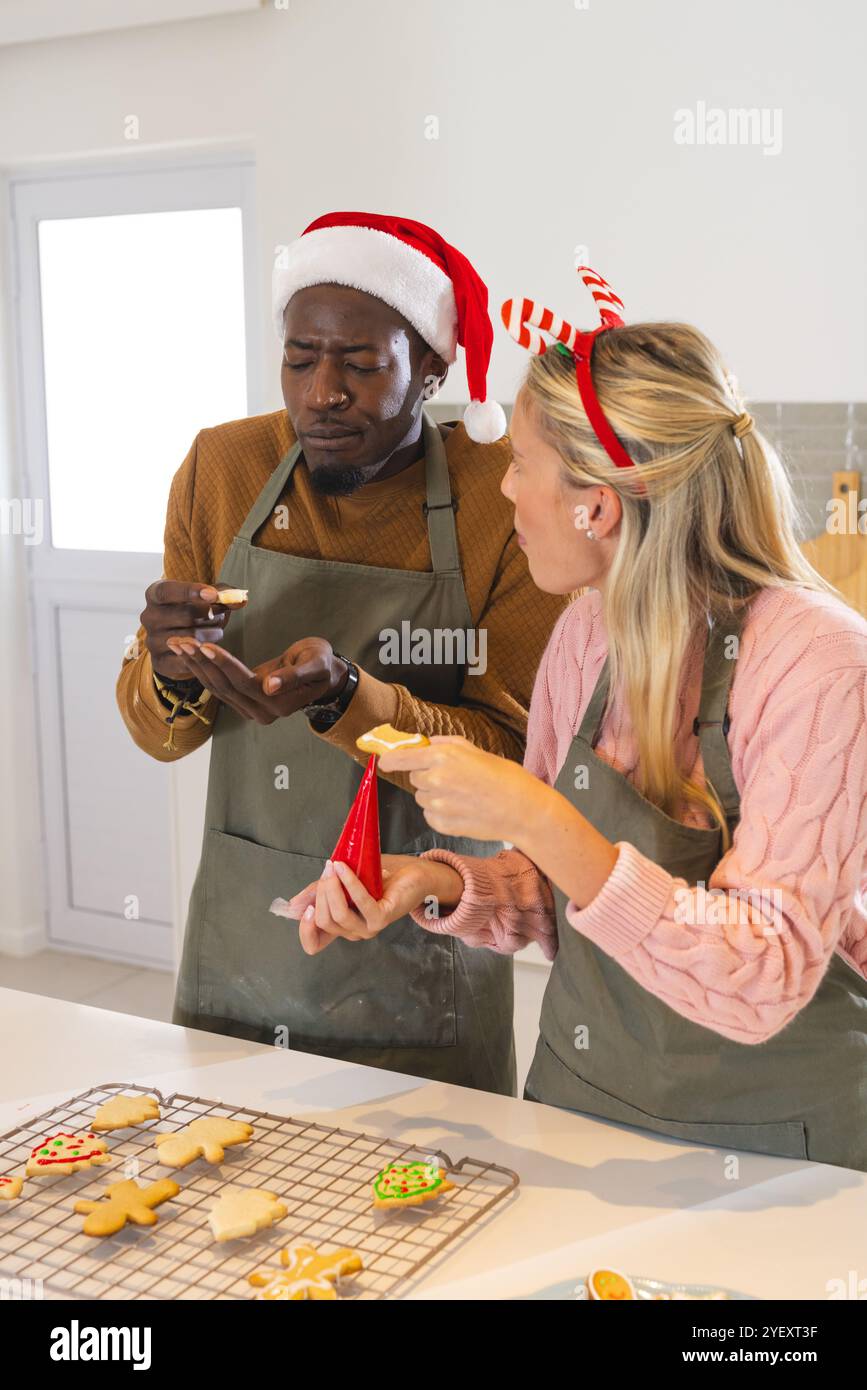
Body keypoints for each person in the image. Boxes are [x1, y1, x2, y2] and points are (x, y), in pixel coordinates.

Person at [284, 264, 867, 1170]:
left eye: (520, 465)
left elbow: (763, 977)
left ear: (595, 504)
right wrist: (439, 884)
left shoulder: (816, 662)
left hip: (781, 1152)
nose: (504, 491)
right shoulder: (586, 631)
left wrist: (533, 810)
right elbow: (563, 901)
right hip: (580, 1114)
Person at [115, 212, 570, 1094]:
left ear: (431, 367)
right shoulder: (224, 468)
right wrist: (166, 672)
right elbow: (160, 738)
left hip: (420, 946)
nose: (321, 392)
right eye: (298, 358)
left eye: (361, 364)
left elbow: (515, 760)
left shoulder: (498, 496)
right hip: (244, 946)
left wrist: (352, 701)